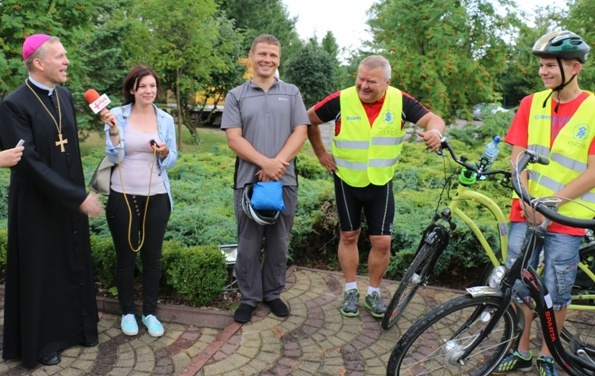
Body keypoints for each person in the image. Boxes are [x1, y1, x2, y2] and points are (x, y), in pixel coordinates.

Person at [307, 55, 446, 319]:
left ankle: (373, 292)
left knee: (382, 241)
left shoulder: (400, 100)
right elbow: (307, 120)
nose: (363, 86)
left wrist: (435, 134)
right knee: (349, 236)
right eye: (360, 79)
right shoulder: (341, 99)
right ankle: (350, 290)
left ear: (387, 81)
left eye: (371, 81)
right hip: (346, 180)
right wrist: (321, 153)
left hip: (381, 182)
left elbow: (433, 120)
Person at [493, 31, 595, 376]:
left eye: (550, 65)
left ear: (575, 67)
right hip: (525, 212)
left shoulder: (594, 109)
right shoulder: (530, 104)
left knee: (556, 290)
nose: (542, 71)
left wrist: (548, 202)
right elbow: (516, 156)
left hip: (567, 220)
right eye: (541, 65)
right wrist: (527, 199)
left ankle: (549, 355)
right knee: (521, 284)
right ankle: (521, 350)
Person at [0, 34, 103, 368]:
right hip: (36, 205)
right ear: (39, 63)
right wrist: (77, 196)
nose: (67, 61)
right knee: (42, 272)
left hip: (69, 202)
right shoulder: (14, 104)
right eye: (60, 56)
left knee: (69, 264)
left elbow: (67, 149)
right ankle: (42, 343)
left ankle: (78, 330)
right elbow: (27, 161)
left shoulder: (64, 95)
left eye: (66, 54)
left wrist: (78, 193)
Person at [221, 34, 309, 324]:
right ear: (251, 56)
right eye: (262, 54)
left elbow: (301, 132)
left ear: (278, 59)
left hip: (284, 182)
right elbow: (234, 138)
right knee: (247, 243)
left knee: (279, 242)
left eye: (273, 55)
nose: (267, 60)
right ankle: (249, 298)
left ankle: (272, 294)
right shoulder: (236, 95)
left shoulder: (292, 93)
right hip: (248, 182)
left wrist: (277, 164)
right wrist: (265, 163)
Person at [100, 66, 177, 338]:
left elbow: (172, 159)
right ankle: (128, 313)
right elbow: (114, 155)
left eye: (152, 86)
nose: (148, 91)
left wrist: (165, 151)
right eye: (143, 86)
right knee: (126, 257)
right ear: (132, 89)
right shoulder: (116, 116)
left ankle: (150, 313)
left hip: (157, 195)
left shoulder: (165, 119)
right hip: (122, 194)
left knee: (152, 257)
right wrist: (112, 132)